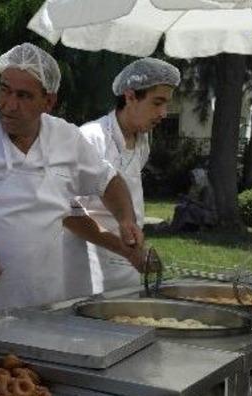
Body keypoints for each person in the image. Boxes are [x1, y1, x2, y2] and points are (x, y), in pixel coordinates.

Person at [0, 43, 143, 327]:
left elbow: (109, 181)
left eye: (23, 96)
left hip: (44, 302)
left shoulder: (66, 138)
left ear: (48, 102)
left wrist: (125, 219)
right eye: (4, 90)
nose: (9, 105)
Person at [62, 58, 180, 297]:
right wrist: (122, 248)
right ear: (130, 97)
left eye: (166, 104)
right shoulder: (91, 138)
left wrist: (133, 250)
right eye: (157, 103)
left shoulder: (142, 141)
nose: (164, 113)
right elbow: (66, 213)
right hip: (88, 269)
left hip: (127, 266)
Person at [169, 167, 217, 232]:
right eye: (191, 178)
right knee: (179, 208)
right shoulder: (195, 187)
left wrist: (191, 200)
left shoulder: (206, 189)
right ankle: (174, 228)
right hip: (196, 207)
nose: (192, 180)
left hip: (208, 213)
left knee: (191, 208)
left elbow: (206, 205)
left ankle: (195, 227)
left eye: (193, 178)